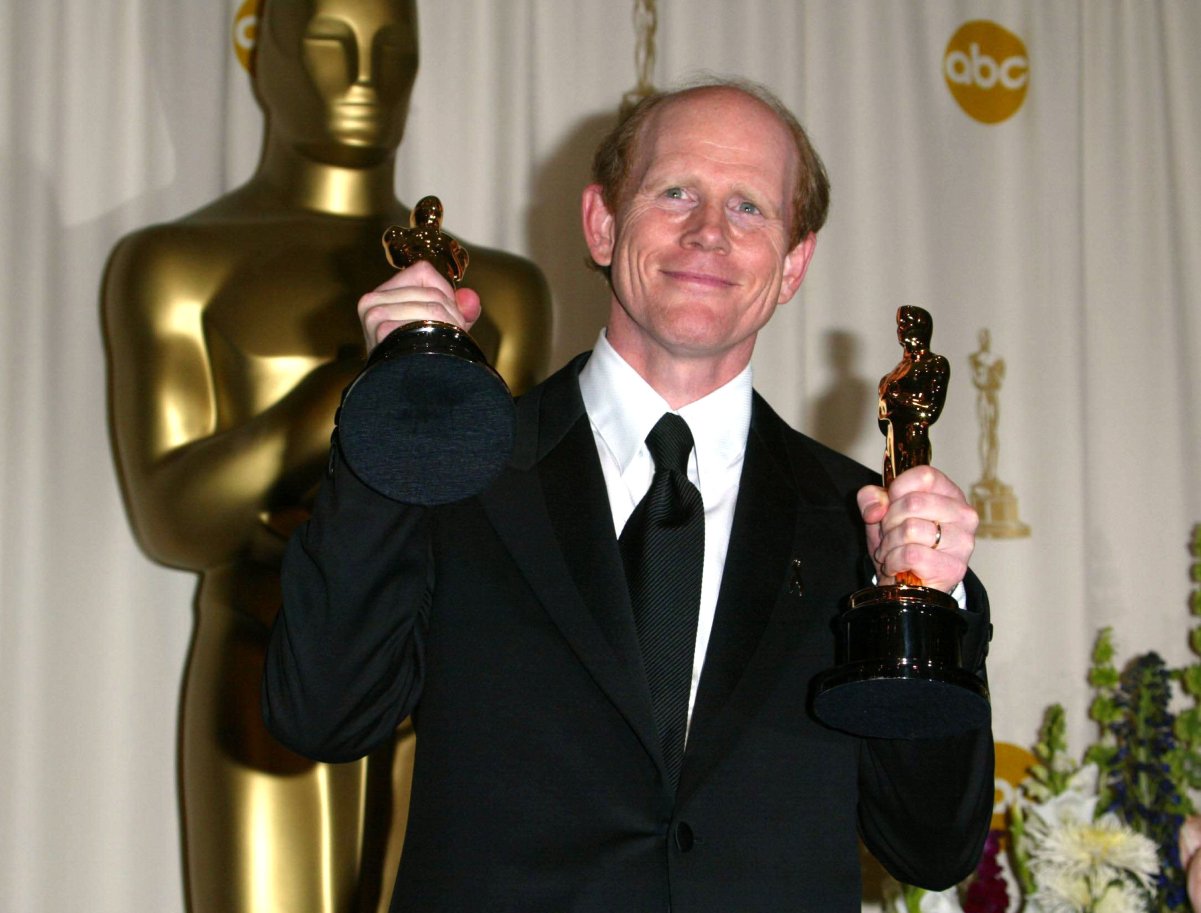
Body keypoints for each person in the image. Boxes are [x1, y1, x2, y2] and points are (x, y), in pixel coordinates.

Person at [263, 79, 993, 912]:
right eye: (675, 191)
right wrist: (396, 425)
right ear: (602, 224)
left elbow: (931, 845)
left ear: (793, 263)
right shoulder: (460, 472)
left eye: (749, 207)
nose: (708, 232)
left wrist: (932, 606)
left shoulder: (859, 527)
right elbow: (322, 714)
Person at [102, 1, 550, 911]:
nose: (364, 75)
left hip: (452, 666)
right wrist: (351, 393)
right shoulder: (179, 263)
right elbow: (175, 520)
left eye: (392, 48)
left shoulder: (499, 287)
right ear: (263, 55)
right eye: (330, 42)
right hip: (262, 651)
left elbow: (513, 521)